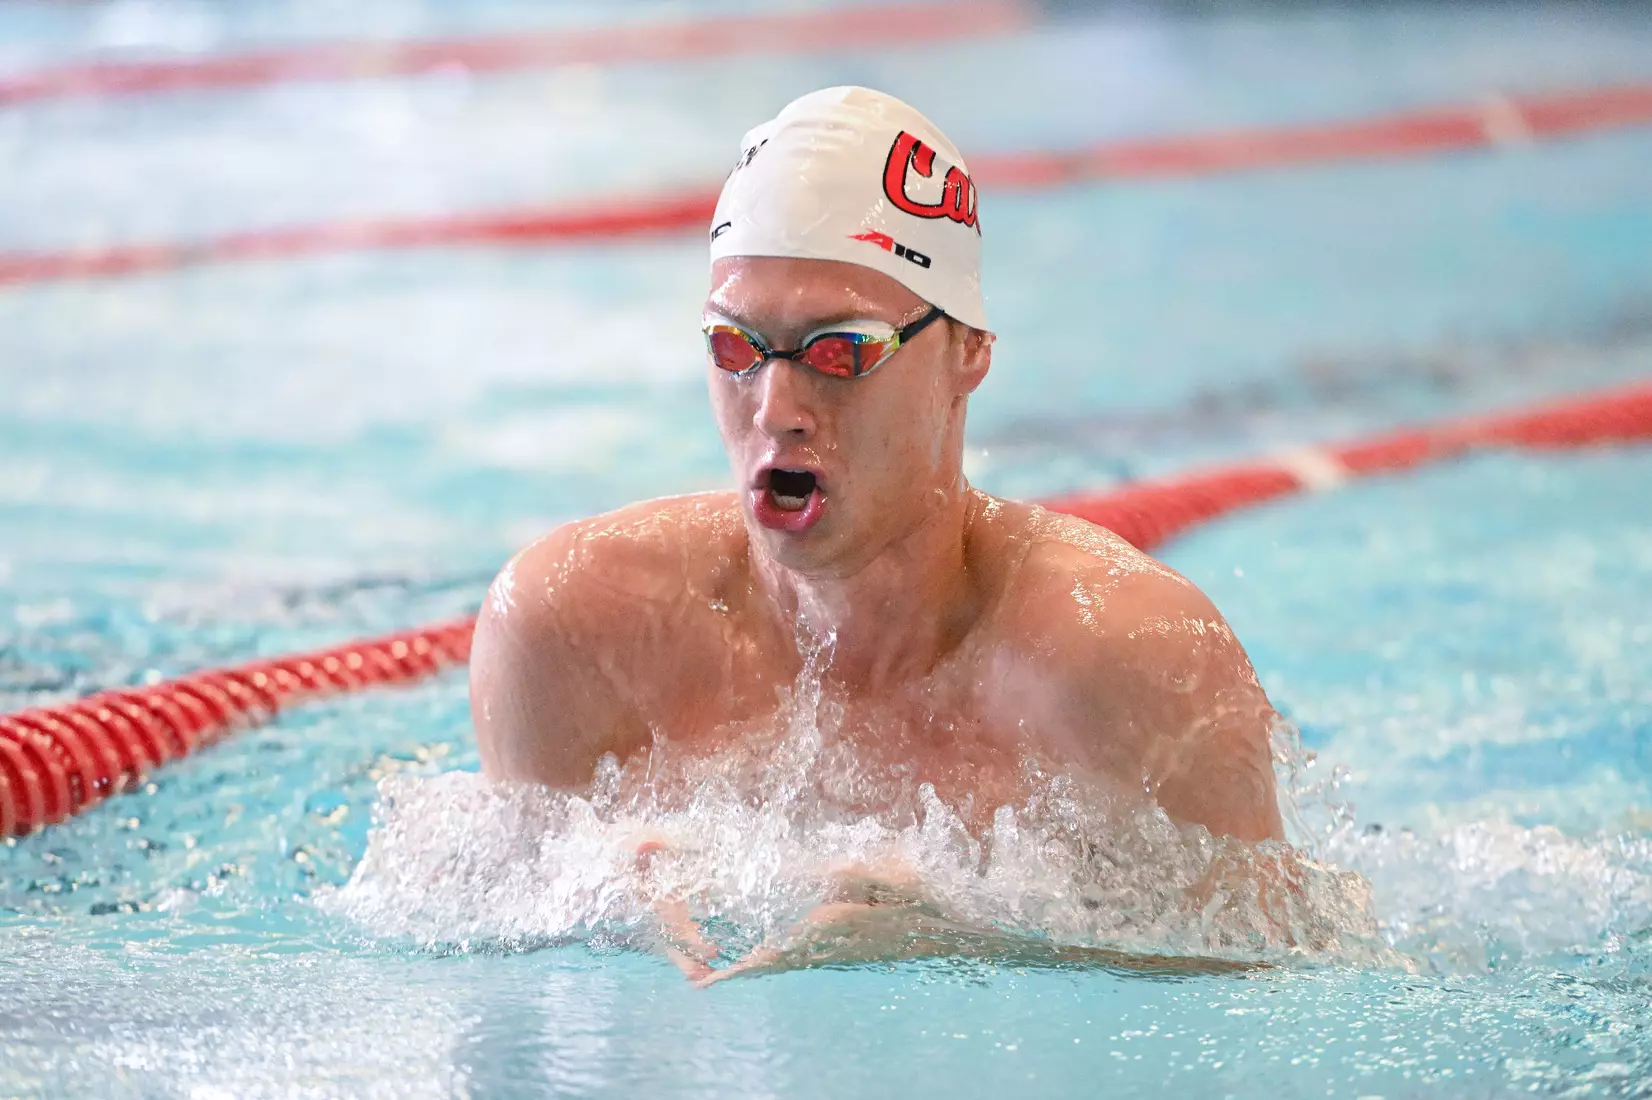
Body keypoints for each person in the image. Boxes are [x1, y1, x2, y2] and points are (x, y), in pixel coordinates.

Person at [469, 86, 1285, 979]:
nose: (775, 410)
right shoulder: (576, 634)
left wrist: (962, 939)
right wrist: (596, 915)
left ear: (968, 349)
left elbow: (1279, 979)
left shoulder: (1124, 660)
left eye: (840, 351)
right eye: (735, 349)